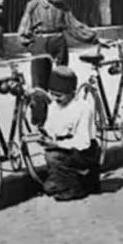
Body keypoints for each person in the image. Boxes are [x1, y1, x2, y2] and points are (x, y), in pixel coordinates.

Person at [18, 0, 99, 94]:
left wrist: (94, 37)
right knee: (39, 87)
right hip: (40, 45)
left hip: (59, 45)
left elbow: (75, 26)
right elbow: (24, 27)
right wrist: (31, 45)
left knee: (61, 83)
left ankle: (60, 109)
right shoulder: (33, 5)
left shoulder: (63, 8)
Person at [37, 66, 101, 201]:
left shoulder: (83, 108)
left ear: (71, 92)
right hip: (65, 148)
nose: (55, 98)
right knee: (49, 187)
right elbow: (50, 128)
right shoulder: (54, 106)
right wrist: (44, 136)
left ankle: (76, 187)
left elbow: (83, 142)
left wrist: (57, 144)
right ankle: (78, 180)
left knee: (53, 157)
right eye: (52, 94)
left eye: (59, 95)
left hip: (84, 152)